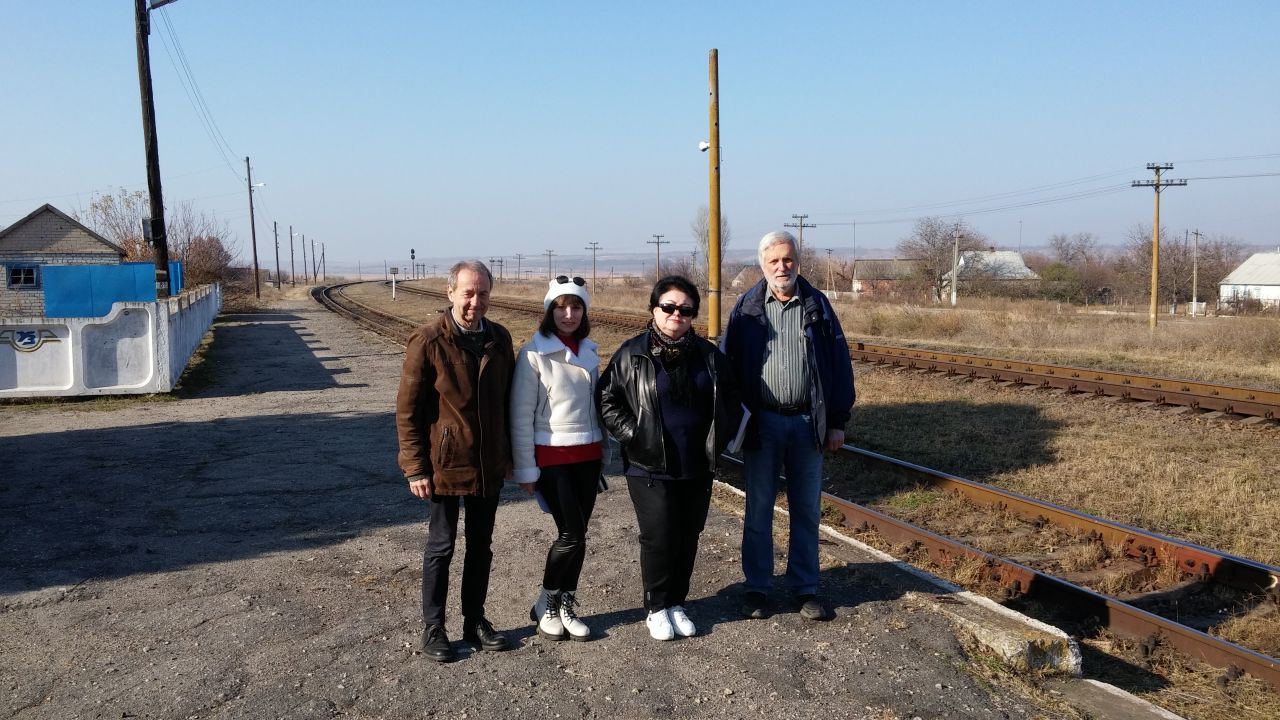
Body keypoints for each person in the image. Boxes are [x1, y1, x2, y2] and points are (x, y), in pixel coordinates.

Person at [597, 275, 741, 641]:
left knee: (688, 535)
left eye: (686, 310)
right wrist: (634, 435)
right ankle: (656, 606)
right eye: (669, 307)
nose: (677, 314)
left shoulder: (709, 356)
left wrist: (719, 440)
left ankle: (677, 602)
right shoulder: (632, 353)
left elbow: (731, 400)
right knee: (659, 536)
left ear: (693, 315)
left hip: (696, 465)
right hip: (648, 465)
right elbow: (606, 399)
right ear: (654, 309)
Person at [722, 231, 855, 622]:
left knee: (806, 509)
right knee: (759, 508)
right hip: (762, 423)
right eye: (774, 261)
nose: (782, 267)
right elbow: (728, 368)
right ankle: (757, 587)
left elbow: (839, 364)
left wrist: (836, 421)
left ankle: (805, 587)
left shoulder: (817, 304)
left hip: (806, 422)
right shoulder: (746, 308)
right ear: (762, 264)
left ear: (798, 261)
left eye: (788, 259)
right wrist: (732, 420)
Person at [395, 260, 515, 662]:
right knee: (441, 546)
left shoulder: (499, 338)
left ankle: (474, 621)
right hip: (445, 463)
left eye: (483, 294)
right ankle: (434, 628)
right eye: (468, 293)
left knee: (481, 545)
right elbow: (407, 411)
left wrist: (510, 455)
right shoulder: (428, 340)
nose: (475, 302)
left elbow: (509, 402)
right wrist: (415, 467)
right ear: (451, 293)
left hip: (488, 463)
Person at [509, 276, 604, 642]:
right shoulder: (533, 353)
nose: (569, 314)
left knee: (580, 536)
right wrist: (526, 469)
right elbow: (520, 416)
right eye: (561, 307)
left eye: (576, 306)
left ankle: (566, 604)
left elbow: (596, 409)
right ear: (549, 311)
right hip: (552, 456)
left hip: (588, 455)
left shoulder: (590, 351)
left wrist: (604, 453)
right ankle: (546, 602)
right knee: (570, 533)